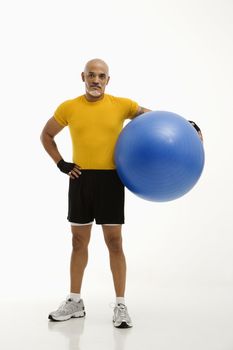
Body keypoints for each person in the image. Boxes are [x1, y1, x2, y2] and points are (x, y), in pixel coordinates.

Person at [40, 58, 202, 328]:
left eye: (101, 76)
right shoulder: (68, 107)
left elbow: (156, 119)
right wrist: (61, 163)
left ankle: (121, 305)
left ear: (108, 80)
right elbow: (46, 134)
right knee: (78, 243)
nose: (96, 80)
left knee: (114, 243)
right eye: (91, 75)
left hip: (111, 181)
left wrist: (186, 126)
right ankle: (75, 301)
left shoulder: (122, 105)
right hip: (81, 179)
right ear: (83, 76)